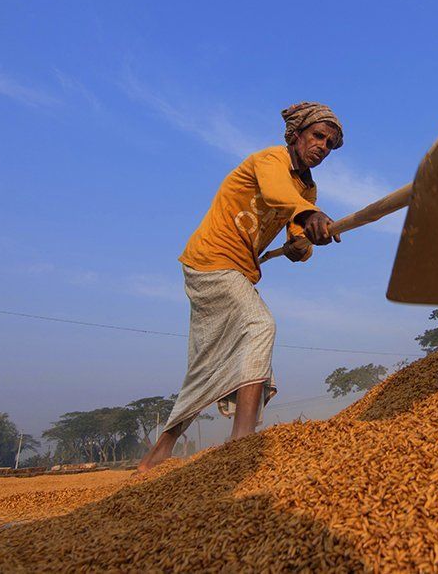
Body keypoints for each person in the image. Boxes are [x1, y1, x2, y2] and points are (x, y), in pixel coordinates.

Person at [137, 101, 343, 472]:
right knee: (259, 326)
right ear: (296, 135)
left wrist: (303, 242)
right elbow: (278, 193)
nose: (322, 147)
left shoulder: (307, 189)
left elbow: (297, 237)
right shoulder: (271, 160)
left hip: (239, 271)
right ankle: (242, 442)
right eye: (317, 136)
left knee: (209, 363)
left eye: (329, 144)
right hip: (212, 259)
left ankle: (158, 453)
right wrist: (309, 214)